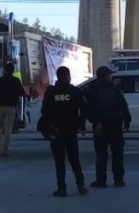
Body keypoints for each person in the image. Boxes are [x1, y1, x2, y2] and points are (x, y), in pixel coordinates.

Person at [41, 66, 88, 197]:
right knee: (74, 159)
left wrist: (49, 128)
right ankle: (81, 185)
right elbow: (84, 108)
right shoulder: (74, 91)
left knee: (59, 161)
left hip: (56, 131)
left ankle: (62, 188)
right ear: (68, 76)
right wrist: (81, 124)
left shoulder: (51, 92)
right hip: (71, 130)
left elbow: (45, 111)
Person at [84, 66, 131, 188]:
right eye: (109, 75)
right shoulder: (114, 89)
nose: (111, 77)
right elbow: (123, 106)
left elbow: (88, 109)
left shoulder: (91, 89)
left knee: (101, 155)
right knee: (117, 154)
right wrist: (127, 122)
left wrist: (95, 122)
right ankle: (118, 180)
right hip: (115, 125)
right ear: (105, 76)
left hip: (100, 126)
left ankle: (101, 180)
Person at [0, 62, 25, 156]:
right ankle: (5, 150)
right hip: (11, 107)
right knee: (8, 129)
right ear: (13, 70)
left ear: (4, 70)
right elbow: (22, 93)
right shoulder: (16, 80)